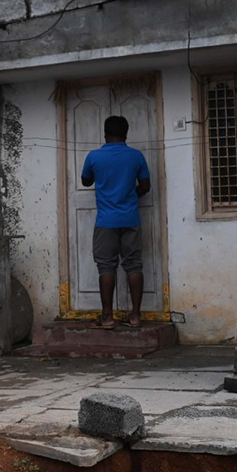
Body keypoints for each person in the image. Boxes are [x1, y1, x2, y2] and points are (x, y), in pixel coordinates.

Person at [81, 115, 151, 329]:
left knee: (106, 266)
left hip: (106, 221)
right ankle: (136, 316)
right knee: (134, 264)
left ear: (105, 133)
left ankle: (107, 317)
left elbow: (85, 181)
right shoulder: (136, 156)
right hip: (130, 217)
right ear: (126, 134)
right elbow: (145, 186)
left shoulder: (94, 157)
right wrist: (129, 196)